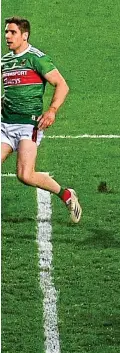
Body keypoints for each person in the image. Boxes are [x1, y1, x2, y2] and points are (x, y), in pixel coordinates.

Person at [1, 17, 81, 222]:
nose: (7, 36)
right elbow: (10, 91)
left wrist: (52, 110)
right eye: (6, 32)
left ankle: (66, 194)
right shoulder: (5, 61)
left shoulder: (37, 58)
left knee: (25, 175)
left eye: (12, 32)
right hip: (5, 124)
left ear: (24, 35)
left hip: (28, 125)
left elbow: (62, 85)